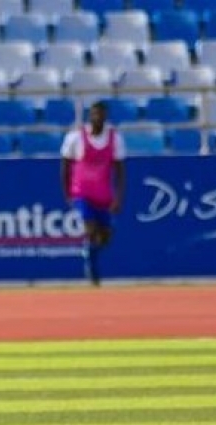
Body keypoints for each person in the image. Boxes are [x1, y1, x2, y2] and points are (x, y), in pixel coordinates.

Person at [60, 100, 126, 287]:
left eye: (101, 114)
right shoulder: (76, 138)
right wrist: (67, 192)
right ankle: (92, 270)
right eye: (95, 114)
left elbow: (120, 171)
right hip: (82, 192)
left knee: (105, 236)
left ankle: (89, 251)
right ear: (90, 115)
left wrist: (118, 198)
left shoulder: (115, 139)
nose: (98, 118)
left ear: (106, 116)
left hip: (103, 194)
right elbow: (65, 167)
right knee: (90, 229)